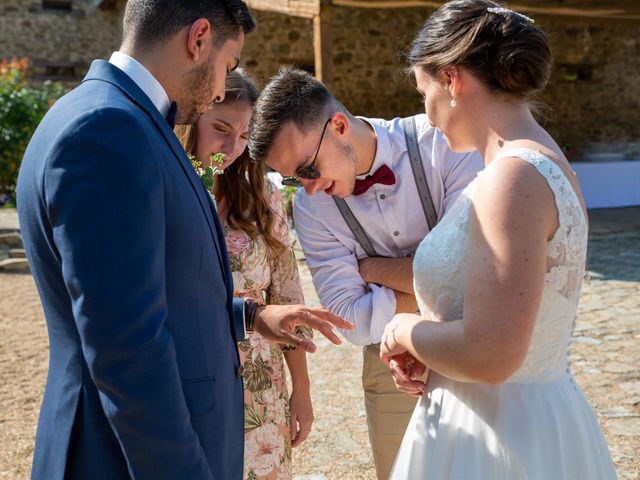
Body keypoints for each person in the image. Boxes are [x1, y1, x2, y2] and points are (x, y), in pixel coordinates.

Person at [16, 1, 351, 479]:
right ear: (198, 39)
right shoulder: (109, 131)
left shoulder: (111, 117)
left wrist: (249, 316)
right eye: (227, 66)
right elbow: (126, 348)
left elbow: (150, 296)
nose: (220, 88)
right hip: (118, 456)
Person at [378, 1, 617, 478]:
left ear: (452, 80)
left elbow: (493, 353)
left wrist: (401, 331)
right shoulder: (542, 163)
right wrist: (434, 349)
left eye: (424, 91)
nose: (426, 115)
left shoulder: (514, 178)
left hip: (499, 435)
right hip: (530, 414)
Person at [248, 67, 483, 479]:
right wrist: (440, 282)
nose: (309, 188)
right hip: (389, 366)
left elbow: (474, 273)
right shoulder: (311, 208)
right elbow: (350, 319)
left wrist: (373, 269)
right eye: (292, 179)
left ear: (338, 126)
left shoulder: (442, 147)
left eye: (307, 170)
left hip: (477, 345)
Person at [175, 69, 313, 479]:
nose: (232, 147)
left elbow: (288, 295)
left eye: (244, 136)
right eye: (220, 129)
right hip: (191, 376)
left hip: (262, 385)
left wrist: (301, 391)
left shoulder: (264, 195)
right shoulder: (168, 190)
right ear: (192, 120)